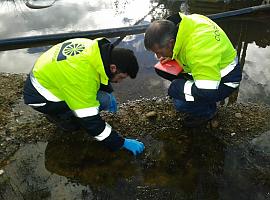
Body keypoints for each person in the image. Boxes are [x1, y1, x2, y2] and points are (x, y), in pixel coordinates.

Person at [23, 37, 145, 155]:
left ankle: (66, 111)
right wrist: (120, 143)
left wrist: (109, 92)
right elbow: (90, 120)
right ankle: (60, 116)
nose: (120, 81)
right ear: (113, 68)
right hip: (41, 97)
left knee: (104, 98)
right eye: (121, 77)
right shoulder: (82, 78)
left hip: (48, 78)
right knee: (78, 123)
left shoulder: (93, 49)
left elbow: (99, 74)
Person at [144, 12, 242, 127]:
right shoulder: (187, 23)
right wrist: (172, 55)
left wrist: (178, 87)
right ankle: (194, 95)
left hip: (225, 80)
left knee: (180, 103)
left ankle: (208, 112)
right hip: (211, 68)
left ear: (170, 43)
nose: (159, 56)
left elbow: (207, 91)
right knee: (162, 69)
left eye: (159, 52)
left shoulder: (198, 51)